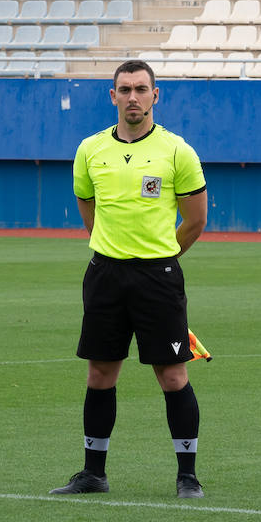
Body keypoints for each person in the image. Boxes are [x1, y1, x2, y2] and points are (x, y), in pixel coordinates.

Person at [52, 59, 209, 499]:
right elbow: (89, 209)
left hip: (158, 277)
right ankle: (93, 473)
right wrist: (114, 246)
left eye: (142, 89)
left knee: (172, 375)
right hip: (105, 274)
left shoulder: (177, 150)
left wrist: (160, 257)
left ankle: (187, 476)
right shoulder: (91, 149)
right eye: (125, 89)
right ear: (113, 96)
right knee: (100, 372)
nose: (133, 97)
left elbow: (196, 219)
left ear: (155, 95)